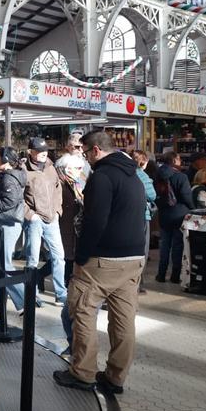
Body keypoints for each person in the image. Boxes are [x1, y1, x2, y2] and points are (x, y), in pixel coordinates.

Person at [54, 130, 146, 394]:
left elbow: (96, 221)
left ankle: (82, 373)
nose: (83, 156)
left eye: (85, 151)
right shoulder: (134, 175)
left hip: (102, 260)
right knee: (124, 320)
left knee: (82, 310)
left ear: (95, 150)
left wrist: (81, 256)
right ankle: (116, 377)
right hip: (133, 259)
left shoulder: (103, 177)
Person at [23, 137, 67, 305]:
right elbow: (19, 198)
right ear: (30, 152)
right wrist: (30, 215)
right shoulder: (24, 170)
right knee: (32, 259)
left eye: (45, 151)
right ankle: (32, 294)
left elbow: (58, 189)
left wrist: (57, 210)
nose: (43, 154)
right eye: (39, 151)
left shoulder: (51, 167)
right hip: (35, 220)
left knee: (59, 257)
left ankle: (60, 293)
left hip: (52, 219)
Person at [0, 147, 27, 314]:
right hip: (10, 223)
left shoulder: (8, 178)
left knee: (3, 265)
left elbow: (10, 199)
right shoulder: (12, 175)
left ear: (6, 159)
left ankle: (26, 299)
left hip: (8, 224)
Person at [154, 151, 193, 283]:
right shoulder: (181, 177)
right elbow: (186, 196)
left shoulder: (157, 176)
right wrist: (193, 208)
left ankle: (161, 274)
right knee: (178, 245)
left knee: (165, 245)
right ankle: (175, 275)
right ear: (174, 160)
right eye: (179, 159)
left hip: (164, 213)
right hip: (179, 214)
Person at [55, 153, 86, 287]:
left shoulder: (75, 182)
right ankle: (64, 284)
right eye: (77, 168)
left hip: (73, 223)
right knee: (65, 255)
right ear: (67, 169)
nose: (80, 171)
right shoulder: (60, 183)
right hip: (64, 222)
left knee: (68, 255)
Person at [129, 150, 156, 294]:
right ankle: (138, 283)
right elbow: (152, 195)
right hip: (143, 216)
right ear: (143, 162)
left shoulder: (126, 173)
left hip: (128, 216)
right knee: (142, 250)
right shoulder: (142, 176)